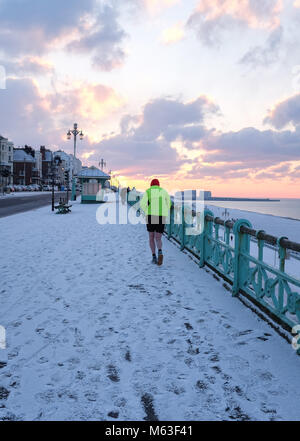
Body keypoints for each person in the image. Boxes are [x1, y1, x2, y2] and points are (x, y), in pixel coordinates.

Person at [140, 179, 171, 265]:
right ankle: (160, 252)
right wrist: (164, 210)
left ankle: (154, 257)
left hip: (151, 215)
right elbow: (169, 203)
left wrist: (147, 210)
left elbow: (142, 204)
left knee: (151, 237)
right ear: (158, 185)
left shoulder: (148, 191)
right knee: (158, 237)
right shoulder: (164, 191)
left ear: (151, 185)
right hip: (161, 216)